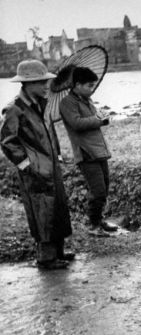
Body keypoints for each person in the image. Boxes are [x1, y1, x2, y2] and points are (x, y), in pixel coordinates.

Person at [0, 59, 73, 270]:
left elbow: (49, 134)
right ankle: (46, 258)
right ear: (27, 84)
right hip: (34, 170)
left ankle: (58, 251)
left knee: (58, 207)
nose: (46, 86)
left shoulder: (41, 104)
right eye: (41, 82)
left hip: (51, 167)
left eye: (45, 81)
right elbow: (7, 141)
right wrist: (26, 166)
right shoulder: (14, 109)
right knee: (42, 212)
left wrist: (56, 156)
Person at [59, 67, 118, 236]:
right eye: (89, 86)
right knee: (98, 190)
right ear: (77, 85)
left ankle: (98, 220)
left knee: (104, 188)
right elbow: (76, 124)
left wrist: (102, 118)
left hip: (99, 150)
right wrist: (98, 120)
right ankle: (93, 225)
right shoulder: (67, 103)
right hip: (85, 152)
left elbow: (94, 120)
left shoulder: (86, 100)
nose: (92, 89)